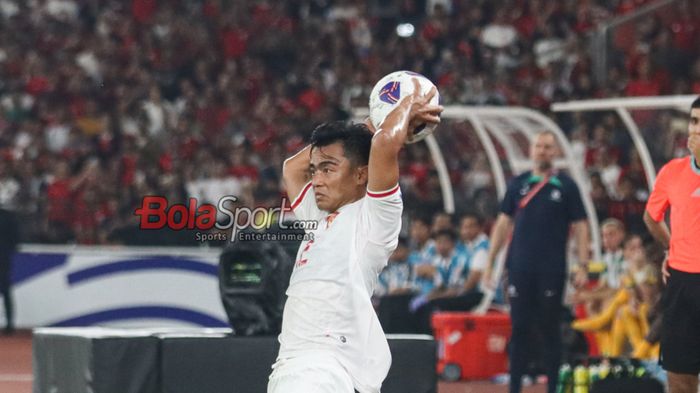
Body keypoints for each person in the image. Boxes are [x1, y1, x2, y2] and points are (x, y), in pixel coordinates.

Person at [268, 81, 442, 393]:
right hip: (297, 365)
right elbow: (292, 168)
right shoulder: (317, 216)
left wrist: (403, 106)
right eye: (316, 171)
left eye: (328, 169)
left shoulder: (373, 217)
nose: (317, 180)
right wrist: (366, 125)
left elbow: (385, 144)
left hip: (321, 366)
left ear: (361, 174)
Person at [483, 131, 590, 393]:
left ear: (556, 153)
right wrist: (490, 262)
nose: (543, 151)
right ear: (531, 151)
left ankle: (552, 387)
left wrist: (583, 266)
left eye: (548, 147)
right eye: (539, 146)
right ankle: (515, 387)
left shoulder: (566, 186)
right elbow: (503, 223)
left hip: (552, 268)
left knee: (549, 328)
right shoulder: (517, 183)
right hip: (519, 267)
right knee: (519, 328)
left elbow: (581, 225)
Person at [643, 96, 700, 393]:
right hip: (680, 285)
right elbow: (652, 217)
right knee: (679, 378)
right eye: (693, 121)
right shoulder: (672, 172)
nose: (696, 130)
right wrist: (671, 248)